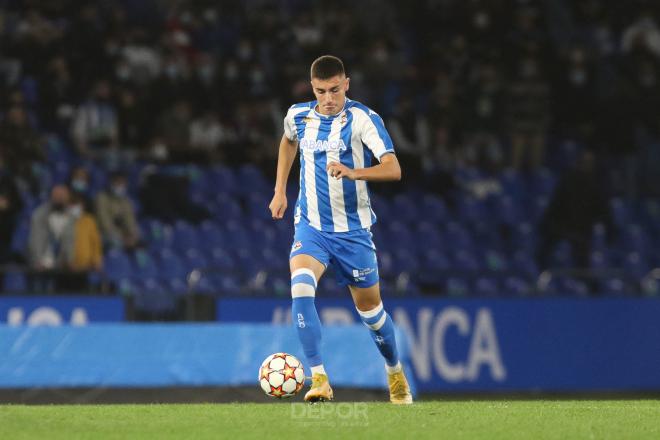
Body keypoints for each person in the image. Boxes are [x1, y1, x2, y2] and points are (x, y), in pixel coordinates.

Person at [268, 55, 412, 404]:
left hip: (353, 233)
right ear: (312, 87)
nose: (328, 98)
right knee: (300, 288)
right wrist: (279, 189)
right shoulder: (298, 115)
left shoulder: (364, 119)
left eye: (335, 89)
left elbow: (393, 168)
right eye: (321, 91)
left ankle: (394, 371)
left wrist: (353, 172)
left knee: (372, 315)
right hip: (311, 227)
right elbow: (288, 141)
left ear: (346, 83)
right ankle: (319, 378)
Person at [95, 171, 140, 249]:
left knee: (139, 237)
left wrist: (132, 235)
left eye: (122, 184)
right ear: (111, 183)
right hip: (104, 232)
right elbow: (104, 222)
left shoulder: (126, 201)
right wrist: (120, 237)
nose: (120, 186)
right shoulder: (101, 198)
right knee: (115, 241)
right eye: (117, 183)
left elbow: (130, 219)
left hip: (122, 233)